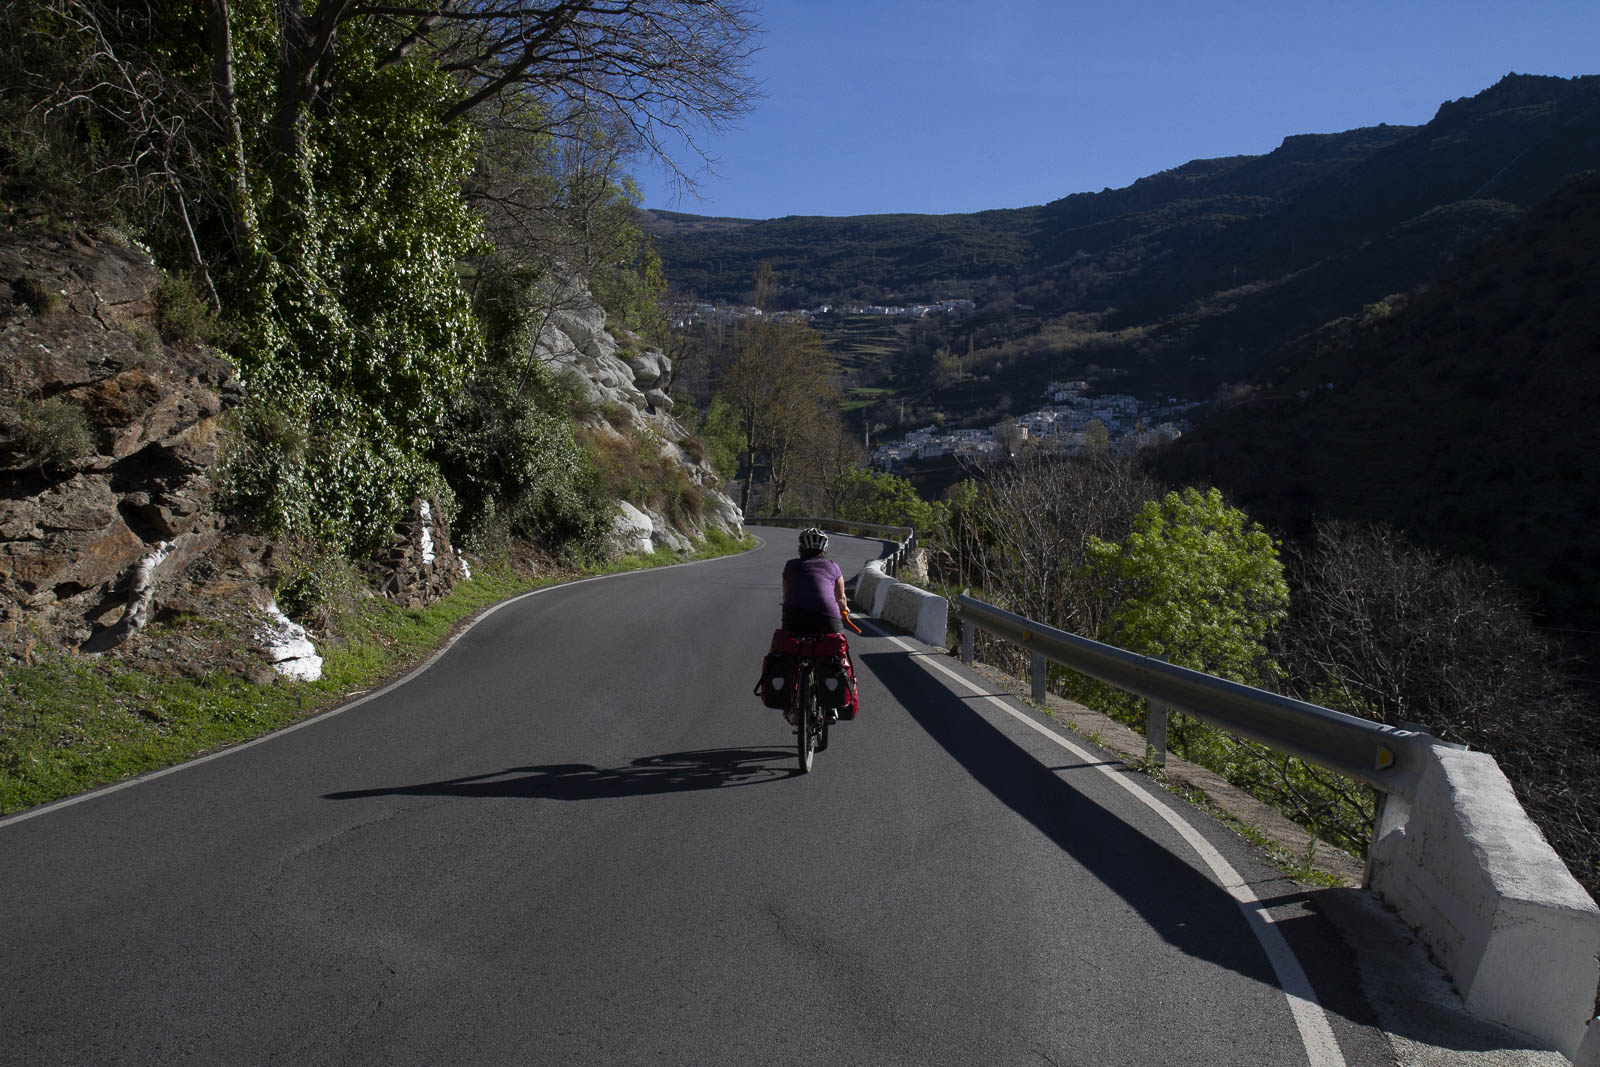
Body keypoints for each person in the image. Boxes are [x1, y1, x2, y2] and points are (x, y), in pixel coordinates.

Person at [782, 528, 849, 634]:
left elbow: (786, 595)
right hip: (827, 616)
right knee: (839, 642)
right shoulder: (833, 566)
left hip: (795, 616)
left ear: (801, 548)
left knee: (787, 640)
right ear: (824, 549)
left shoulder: (790, 565)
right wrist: (844, 608)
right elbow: (840, 598)